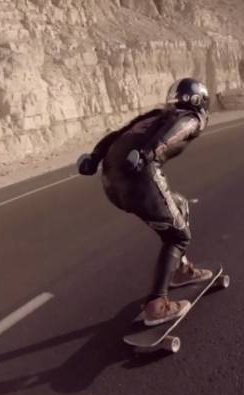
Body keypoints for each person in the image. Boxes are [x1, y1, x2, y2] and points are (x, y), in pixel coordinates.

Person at [77, 78, 213, 326]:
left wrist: (94, 157)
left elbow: (117, 135)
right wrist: (148, 152)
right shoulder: (193, 117)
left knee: (178, 206)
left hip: (111, 182)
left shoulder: (156, 114)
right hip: (140, 181)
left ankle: (181, 270)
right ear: (200, 101)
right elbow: (177, 132)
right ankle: (157, 304)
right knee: (179, 236)